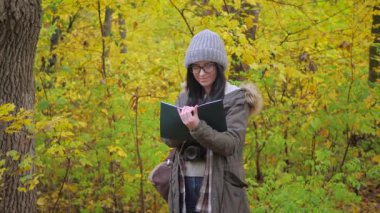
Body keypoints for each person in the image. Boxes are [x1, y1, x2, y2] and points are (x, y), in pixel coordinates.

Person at [163, 29, 263, 213]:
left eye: (207, 66)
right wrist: (175, 128)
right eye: (195, 67)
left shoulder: (235, 98)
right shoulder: (185, 98)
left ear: (218, 66)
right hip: (184, 183)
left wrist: (197, 127)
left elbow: (231, 144)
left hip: (221, 186)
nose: (201, 73)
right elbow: (171, 142)